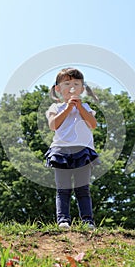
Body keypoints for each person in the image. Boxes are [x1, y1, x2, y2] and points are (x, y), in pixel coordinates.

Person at [45, 67, 99, 230]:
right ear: (58, 89)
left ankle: (87, 221)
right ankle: (63, 220)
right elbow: (53, 125)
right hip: (61, 151)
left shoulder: (87, 107)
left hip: (82, 150)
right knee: (63, 188)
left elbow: (93, 124)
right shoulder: (55, 108)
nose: (72, 87)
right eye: (67, 83)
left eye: (76, 84)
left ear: (82, 89)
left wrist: (80, 107)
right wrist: (68, 108)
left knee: (83, 188)